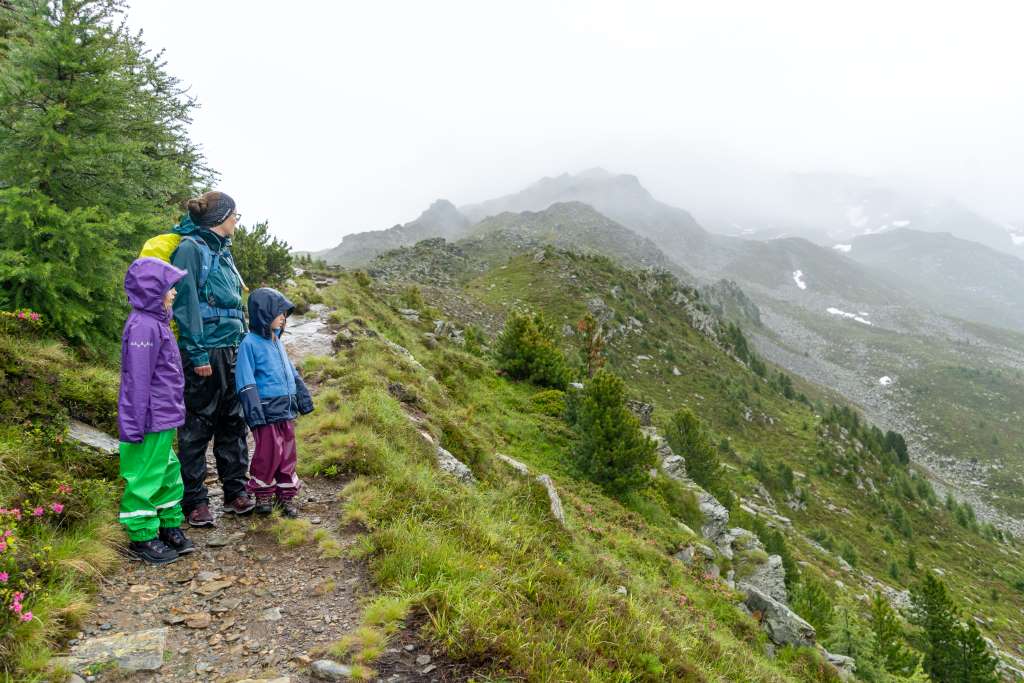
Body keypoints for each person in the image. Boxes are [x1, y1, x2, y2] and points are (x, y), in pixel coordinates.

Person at [171, 191, 254, 526]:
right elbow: (184, 304)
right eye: (235, 214)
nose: (237, 220)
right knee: (196, 427)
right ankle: (194, 502)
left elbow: (235, 304)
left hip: (233, 348)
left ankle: (235, 491)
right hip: (206, 352)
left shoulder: (224, 252)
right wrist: (197, 352)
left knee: (233, 422)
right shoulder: (190, 249)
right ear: (221, 217)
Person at [118, 257, 195, 564]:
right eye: (168, 287)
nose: (173, 293)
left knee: (167, 471)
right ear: (152, 290)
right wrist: (134, 425)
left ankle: (167, 525)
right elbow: (137, 381)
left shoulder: (156, 323)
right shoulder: (143, 327)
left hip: (162, 416)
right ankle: (142, 536)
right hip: (148, 419)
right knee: (145, 476)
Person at [235, 288, 315, 517]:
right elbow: (245, 379)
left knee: (288, 453)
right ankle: (263, 495)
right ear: (264, 313)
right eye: (279, 313)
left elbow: (291, 372)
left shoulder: (277, 342)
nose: (283, 318)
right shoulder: (249, 344)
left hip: (285, 409)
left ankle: (285, 496)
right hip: (266, 410)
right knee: (268, 453)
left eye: (285, 314)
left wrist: (302, 397)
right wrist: (254, 411)